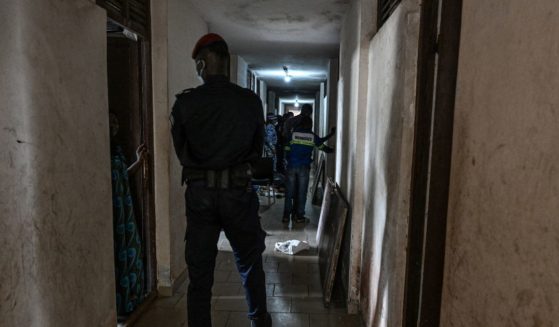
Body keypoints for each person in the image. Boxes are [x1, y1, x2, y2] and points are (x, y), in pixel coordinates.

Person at [170, 33, 271, 327]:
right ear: (226, 63)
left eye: (197, 65)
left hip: (200, 196)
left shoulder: (185, 105)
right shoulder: (250, 102)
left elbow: (182, 151)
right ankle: (259, 323)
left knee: (200, 276)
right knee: (250, 264)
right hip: (238, 194)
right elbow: (256, 148)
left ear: (202, 64)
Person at [109, 113, 147, 317]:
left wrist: (139, 161)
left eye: (116, 121)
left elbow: (123, 172)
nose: (114, 125)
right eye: (110, 121)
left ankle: (131, 297)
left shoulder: (116, 149)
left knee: (128, 247)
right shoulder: (100, 151)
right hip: (111, 208)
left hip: (123, 205)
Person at [283, 116, 335, 223]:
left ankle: (286, 216)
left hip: (291, 166)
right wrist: (332, 146)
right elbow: (322, 146)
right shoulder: (312, 136)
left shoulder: (292, 135)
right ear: (310, 125)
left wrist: (289, 159)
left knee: (289, 192)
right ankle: (299, 217)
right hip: (304, 168)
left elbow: (286, 149)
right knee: (302, 192)